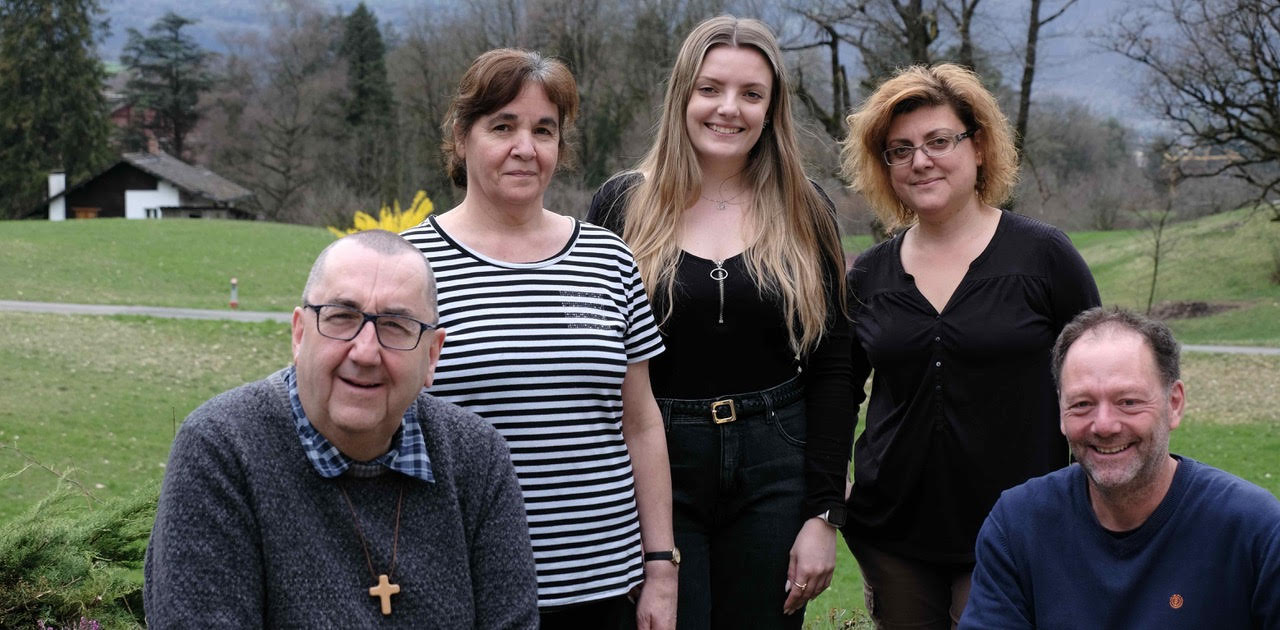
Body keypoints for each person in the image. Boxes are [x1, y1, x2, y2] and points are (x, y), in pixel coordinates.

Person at [586, 16, 854, 629]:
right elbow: (598, 365)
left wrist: (823, 514)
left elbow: (834, 365)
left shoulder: (806, 208)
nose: (728, 109)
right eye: (710, 89)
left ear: (771, 107)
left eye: (751, 94)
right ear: (683, 93)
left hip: (775, 464)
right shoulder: (623, 205)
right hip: (657, 464)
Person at [399, 49, 676, 630]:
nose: (525, 147)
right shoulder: (406, 266)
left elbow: (641, 422)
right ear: (461, 137)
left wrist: (660, 569)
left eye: (543, 130)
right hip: (460, 588)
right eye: (503, 126)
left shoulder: (607, 257)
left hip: (603, 590)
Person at [143, 229, 538, 628]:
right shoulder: (222, 450)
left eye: (395, 326)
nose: (365, 352)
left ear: (432, 356)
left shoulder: (477, 457)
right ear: (299, 335)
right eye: (342, 317)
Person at [839, 63, 1101, 629]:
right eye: (900, 149)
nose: (921, 160)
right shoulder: (870, 277)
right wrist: (828, 500)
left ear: (979, 146)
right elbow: (833, 394)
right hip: (894, 534)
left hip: (1018, 525)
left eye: (939, 141)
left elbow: (1096, 379)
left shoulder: (1044, 257)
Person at [960, 307, 1280, 629]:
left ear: (1174, 404)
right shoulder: (1017, 527)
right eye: (1082, 404)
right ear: (1060, 411)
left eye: (1128, 401)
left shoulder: (1255, 531)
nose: (1104, 425)